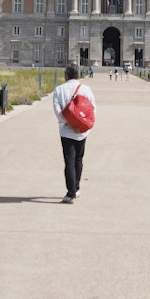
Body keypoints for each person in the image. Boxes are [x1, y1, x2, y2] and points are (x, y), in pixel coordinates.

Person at [52, 64, 96, 204]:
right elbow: (92, 111)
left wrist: (70, 124)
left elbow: (58, 113)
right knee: (78, 160)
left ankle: (71, 193)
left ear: (66, 75)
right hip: (82, 132)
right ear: (78, 75)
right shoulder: (86, 89)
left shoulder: (59, 90)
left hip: (66, 131)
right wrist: (82, 127)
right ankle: (76, 189)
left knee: (69, 161)